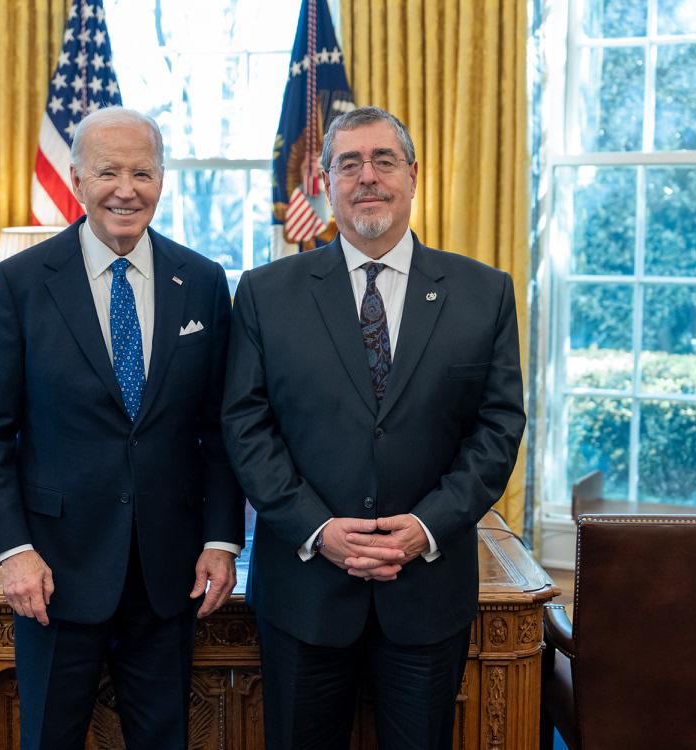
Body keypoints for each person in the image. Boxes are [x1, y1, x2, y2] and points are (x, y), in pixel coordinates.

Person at [222, 106, 525, 750]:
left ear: (413, 176)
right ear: (326, 181)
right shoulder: (264, 293)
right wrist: (315, 529)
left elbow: (498, 430)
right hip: (304, 590)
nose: (368, 177)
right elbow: (246, 426)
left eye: (383, 160)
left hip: (427, 591)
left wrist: (426, 527)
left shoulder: (484, 293)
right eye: (349, 163)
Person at [0, 107, 244, 750]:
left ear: (162, 179)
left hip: (170, 573)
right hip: (54, 573)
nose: (126, 188)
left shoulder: (201, 281)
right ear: (77, 177)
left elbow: (220, 428)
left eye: (142, 171)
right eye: (108, 171)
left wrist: (223, 540)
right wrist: (14, 552)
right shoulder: (20, 282)